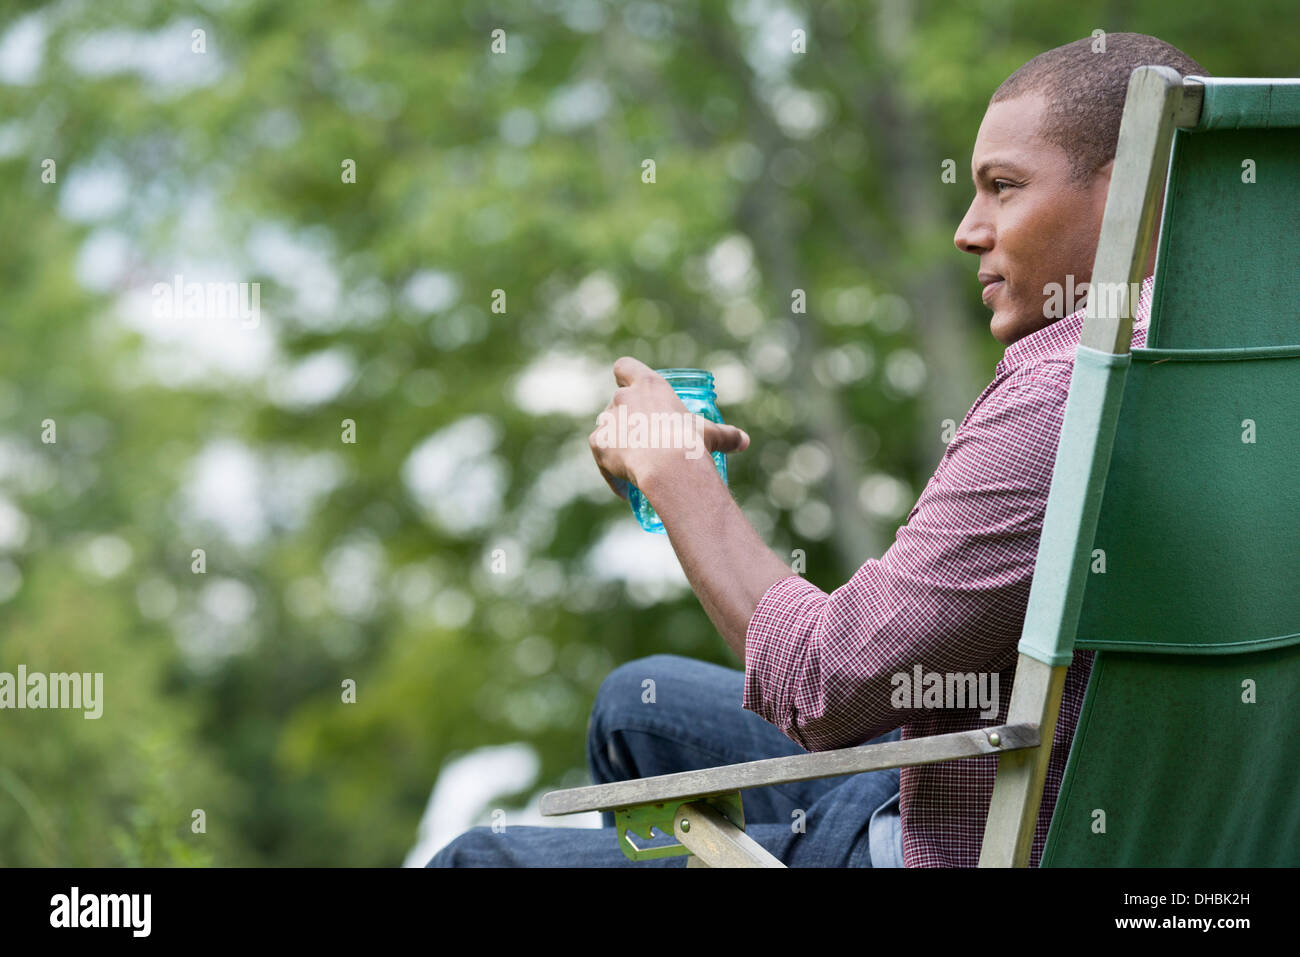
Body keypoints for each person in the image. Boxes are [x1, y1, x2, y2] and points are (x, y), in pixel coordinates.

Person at [428, 33, 1207, 868]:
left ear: (1136, 189)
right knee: (637, 704)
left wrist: (677, 477)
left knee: (483, 858)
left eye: (1004, 189)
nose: (967, 231)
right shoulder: (1245, 358)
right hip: (1111, 802)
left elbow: (825, 684)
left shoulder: (1064, 397)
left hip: (980, 835)